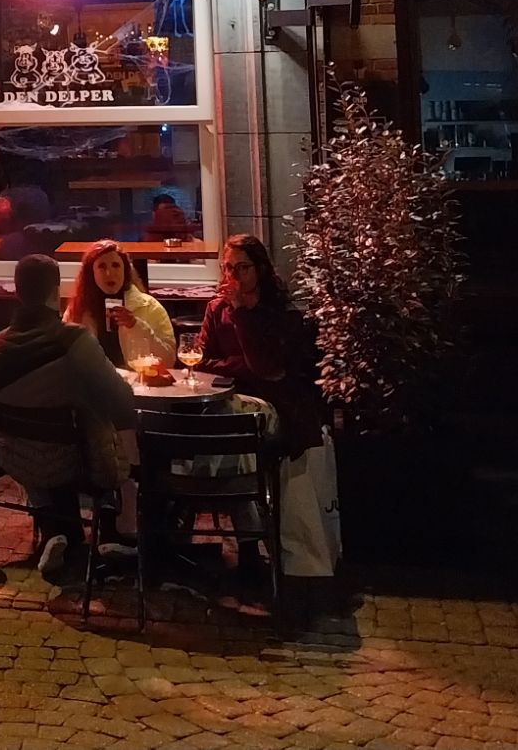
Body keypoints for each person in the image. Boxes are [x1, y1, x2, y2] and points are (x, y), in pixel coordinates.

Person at [0, 254, 139, 581]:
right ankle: (112, 530)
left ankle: (57, 530)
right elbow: (122, 402)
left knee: (46, 441)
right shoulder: (73, 340)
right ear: (56, 291)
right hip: (76, 462)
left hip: (16, 460)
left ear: (17, 291)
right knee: (102, 429)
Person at [196, 233, 337, 596]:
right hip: (230, 404)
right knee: (214, 435)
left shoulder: (280, 313)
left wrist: (242, 316)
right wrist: (240, 366)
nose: (232, 276)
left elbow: (269, 369)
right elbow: (202, 361)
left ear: (259, 269)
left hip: (278, 408)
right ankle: (221, 535)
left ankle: (248, 545)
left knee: (237, 438)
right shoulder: (216, 308)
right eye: (227, 268)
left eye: (241, 268)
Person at [63, 240, 175, 372]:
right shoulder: (78, 309)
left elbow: (169, 360)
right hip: (93, 381)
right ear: (91, 273)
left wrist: (136, 326)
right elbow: (64, 357)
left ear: (125, 270)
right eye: (102, 266)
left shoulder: (149, 307)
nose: (109, 273)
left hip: (136, 380)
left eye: (115, 265)